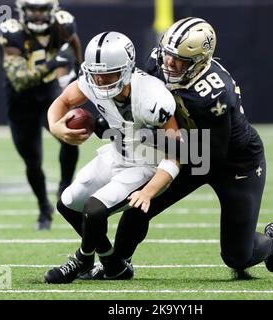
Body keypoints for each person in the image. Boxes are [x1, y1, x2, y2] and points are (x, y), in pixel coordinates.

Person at [83, 17, 273, 280]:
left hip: (233, 163)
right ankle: (119, 264)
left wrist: (141, 137)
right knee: (140, 204)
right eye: (167, 55)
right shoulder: (157, 61)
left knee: (237, 257)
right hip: (186, 150)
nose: (168, 63)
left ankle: (272, 243)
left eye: (179, 60)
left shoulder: (214, 93)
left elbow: (210, 155)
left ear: (200, 61)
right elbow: (138, 105)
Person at [43, 31, 180, 284]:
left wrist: (149, 191)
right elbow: (63, 100)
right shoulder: (92, 81)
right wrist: (55, 126)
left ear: (127, 69)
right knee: (68, 202)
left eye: (108, 73)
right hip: (116, 155)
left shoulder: (153, 98)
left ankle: (82, 259)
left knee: (94, 209)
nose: (100, 80)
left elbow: (176, 156)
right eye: (96, 73)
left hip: (147, 166)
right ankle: (113, 264)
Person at [0, 0, 82, 230]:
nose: (37, 14)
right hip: (20, 101)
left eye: (42, 9)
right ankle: (44, 208)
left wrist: (80, 68)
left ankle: (65, 186)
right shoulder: (11, 31)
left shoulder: (64, 24)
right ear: (23, 10)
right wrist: (54, 63)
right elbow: (20, 79)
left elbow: (73, 40)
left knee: (70, 134)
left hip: (48, 94)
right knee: (32, 161)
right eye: (32, 9)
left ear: (51, 10)